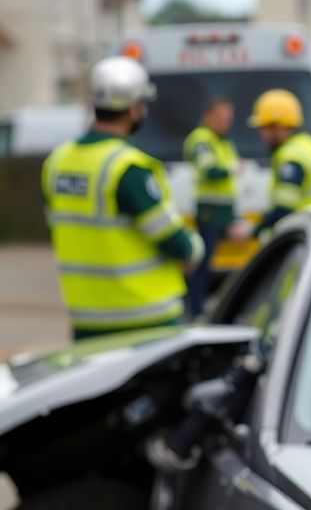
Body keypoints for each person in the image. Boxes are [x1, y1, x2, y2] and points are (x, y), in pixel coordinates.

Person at [41, 56, 203, 340]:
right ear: (134, 109)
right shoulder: (128, 169)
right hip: (147, 320)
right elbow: (174, 242)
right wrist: (195, 248)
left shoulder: (57, 163)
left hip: (87, 322)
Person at [241, 88, 311, 239]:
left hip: (306, 232)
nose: (261, 134)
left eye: (263, 128)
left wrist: (253, 230)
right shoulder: (310, 146)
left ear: (277, 126)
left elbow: (284, 209)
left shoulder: (291, 158)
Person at [183, 96, 239, 318]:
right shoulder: (201, 140)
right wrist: (233, 169)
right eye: (221, 117)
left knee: (221, 265)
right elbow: (211, 171)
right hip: (209, 211)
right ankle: (195, 310)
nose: (226, 121)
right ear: (208, 116)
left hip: (225, 211)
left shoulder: (223, 141)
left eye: (229, 117)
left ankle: (214, 308)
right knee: (201, 264)